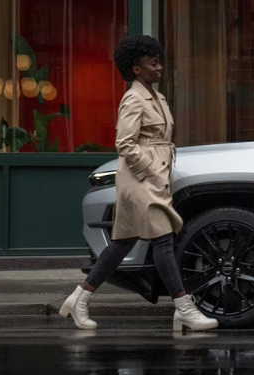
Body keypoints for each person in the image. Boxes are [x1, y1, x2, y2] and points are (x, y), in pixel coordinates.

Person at [59, 35, 217, 332]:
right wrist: (149, 171)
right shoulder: (133, 99)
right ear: (136, 68)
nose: (159, 67)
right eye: (152, 62)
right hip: (141, 181)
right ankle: (183, 307)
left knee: (120, 245)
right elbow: (125, 143)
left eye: (159, 61)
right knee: (163, 240)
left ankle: (78, 298)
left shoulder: (157, 97)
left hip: (152, 178)